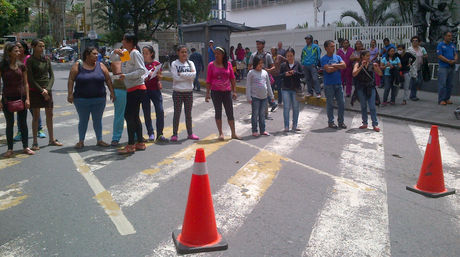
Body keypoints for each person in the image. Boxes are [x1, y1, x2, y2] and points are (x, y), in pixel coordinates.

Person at [67, 46, 115, 149]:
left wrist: (112, 92)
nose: (96, 56)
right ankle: (81, 141)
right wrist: (70, 94)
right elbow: (71, 79)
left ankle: (99, 140)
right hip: (81, 99)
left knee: (97, 120)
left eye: (97, 54)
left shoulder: (101, 65)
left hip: (99, 99)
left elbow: (108, 79)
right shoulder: (78, 65)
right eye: (94, 54)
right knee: (83, 120)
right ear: (87, 55)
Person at [0, 42, 35, 157]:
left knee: (23, 123)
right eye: (15, 51)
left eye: (19, 50)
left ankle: (26, 147)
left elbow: (26, 83)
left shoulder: (21, 66)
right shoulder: (3, 66)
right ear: (9, 52)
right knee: (10, 124)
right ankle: (10, 149)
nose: (19, 52)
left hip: (21, 97)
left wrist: (28, 99)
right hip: (7, 98)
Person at [27, 39, 62, 150]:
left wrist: (48, 89)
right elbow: (30, 78)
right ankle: (35, 142)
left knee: (50, 115)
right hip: (35, 91)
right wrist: (41, 91)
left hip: (47, 89)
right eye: (39, 46)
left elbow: (51, 76)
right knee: (36, 116)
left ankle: (52, 139)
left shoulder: (46, 59)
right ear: (33, 47)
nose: (42, 48)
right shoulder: (30, 60)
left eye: (43, 46)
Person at [117, 32, 148, 154]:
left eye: (124, 40)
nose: (122, 42)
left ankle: (130, 145)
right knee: (134, 116)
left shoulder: (135, 53)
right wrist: (117, 54)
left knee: (129, 116)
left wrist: (126, 76)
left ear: (130, 42)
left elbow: (141, 70)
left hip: (137, 88)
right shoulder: (126, 53)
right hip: (131, 88)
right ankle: (140, 142)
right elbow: (123, 67)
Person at [205, 47, 240, 140]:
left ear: (223, 55)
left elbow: (232, 78)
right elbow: (208, 80)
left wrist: (234, 91)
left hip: (227, 92)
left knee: (230, 112)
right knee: (218, 112)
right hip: (215, 92)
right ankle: (221, 133)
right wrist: (207, 93)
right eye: (215, 53)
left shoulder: (228, 64)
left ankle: (233, 133)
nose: (216, 55)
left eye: (218, 53)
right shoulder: (211, 65)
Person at [14, 40, 46, 141]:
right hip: (18, 89)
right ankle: (20, 131)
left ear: (24, 48)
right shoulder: (13, 60)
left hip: (30, 88)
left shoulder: (28, 58)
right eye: (16, 48)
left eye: (20, 47)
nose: (18, 49)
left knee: (34, 110)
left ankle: (39, 129)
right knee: (20, 110)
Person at [170, 45, 199, 141]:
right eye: (182, 52)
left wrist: (181, 74)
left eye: (185, 52)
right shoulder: (174, 64)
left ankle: (190, 133)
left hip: (189, 92)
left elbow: (194, 75)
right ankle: (175, 134)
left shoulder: (190, 63)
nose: (184, 54)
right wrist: (188, 76)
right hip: (178, 92)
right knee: (177, 114)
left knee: (188, 114)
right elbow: (175, 78)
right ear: (178, 53)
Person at [352, 50, 383, 132]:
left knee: (372, 106)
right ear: (362, 56)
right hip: (361, 87)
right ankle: (365, 123)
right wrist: (361, 66)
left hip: (370, 87)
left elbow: (380, 74)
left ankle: (375, 124)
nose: (369, 57)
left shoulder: (372, 64)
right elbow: (354, 74)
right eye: (367, 56)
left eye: (369, 56)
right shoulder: (357, 64)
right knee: (363, 106)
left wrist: (377, 68)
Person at [142, 45, 167, 142]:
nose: (144, 55)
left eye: (146, 53)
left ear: (151, 53)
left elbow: (160, 76)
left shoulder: (156, 64)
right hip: (144, 90)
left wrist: (157, 75)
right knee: (146, 112)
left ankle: (160, 134)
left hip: (155, 90)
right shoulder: (142, 64)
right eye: (143, 53)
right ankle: (150, 133)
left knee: (160, 111)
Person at [321, 40, 347, 129]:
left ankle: (341, 122)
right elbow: (328, 70)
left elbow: (344, 66)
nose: (333, 48)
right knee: (330, 104)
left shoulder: (338, 57)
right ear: (326, 48)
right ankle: (331, 122)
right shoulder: (323, 59)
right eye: (331, 46)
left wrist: (334, 65)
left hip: (338, 84)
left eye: (334, 46)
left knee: (342, 103)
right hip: (329, 85)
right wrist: (338, 66)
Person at [246, 56, 274, 137]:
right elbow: (248, 86)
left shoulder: (265, 73)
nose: (260, 65)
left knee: (262, 114)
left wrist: (271, 96)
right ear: (255, 64)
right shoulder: (251, 73)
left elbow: (268, 85)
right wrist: (249, 97)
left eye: (261, 63)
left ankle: (263, 130)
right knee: (255, 114)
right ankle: (254, 130)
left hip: (264, 97)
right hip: (255, 97)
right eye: (259, 64)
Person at [248, 39, 277, 113]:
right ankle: (256, 113)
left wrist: (268, 70)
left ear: (263, 45)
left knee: (265, 96)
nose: (257, 45)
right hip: (255, 79)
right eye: (257, 44)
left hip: (265, 78)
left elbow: (273, 67)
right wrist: (255, 69)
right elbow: (249, 67)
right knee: (255, 96)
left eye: (259, 44)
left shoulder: (268, 56)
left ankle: (265, 114)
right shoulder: (253, 55)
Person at [280, 48, 304, 132]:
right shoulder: (283, 65)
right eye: (288, 56)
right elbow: (279, 76)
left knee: (296, 107)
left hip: (296, 89)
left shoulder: (298, 64)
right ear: (285, 56)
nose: (289, 57)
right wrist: (285, 74)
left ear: (294, 55)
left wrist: (295, 72)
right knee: (286, 107)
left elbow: (303, 75)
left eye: (291, 56)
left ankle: (295, 125)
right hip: (286, 89)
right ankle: (286, 126)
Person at [109, 47, 127, 146]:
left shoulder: (134, 58)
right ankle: (116, 137)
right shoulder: (117, 59)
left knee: (133, 115)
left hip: (132, 89)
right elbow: (111, 59)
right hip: (119, 89)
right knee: (119, 115)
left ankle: (137, 136)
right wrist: (114, 52)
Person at [436, 31, 457, 105]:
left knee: (450, 84)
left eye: (451, 36)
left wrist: (455, 60)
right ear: (444, 37)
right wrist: (448, 61)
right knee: (442, 84)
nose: (450, 37)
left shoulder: (453, 45)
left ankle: (447, 98)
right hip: (443, 67)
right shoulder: (440, 45)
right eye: (448, 36)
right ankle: (441, 99)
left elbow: (456, 54)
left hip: (451, 66)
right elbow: (439, 55)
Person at [407, 35, 428, 101]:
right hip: (413, 68)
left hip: (420, 67)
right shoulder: (409, 49)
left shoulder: (422, 49)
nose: (415, 42)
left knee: (419, 81)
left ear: (419, 42)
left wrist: (424, 57)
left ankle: (414, 94)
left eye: (416, 41)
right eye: (413, 41)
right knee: (415, 81)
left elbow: (426, 55)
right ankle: (413, 95)